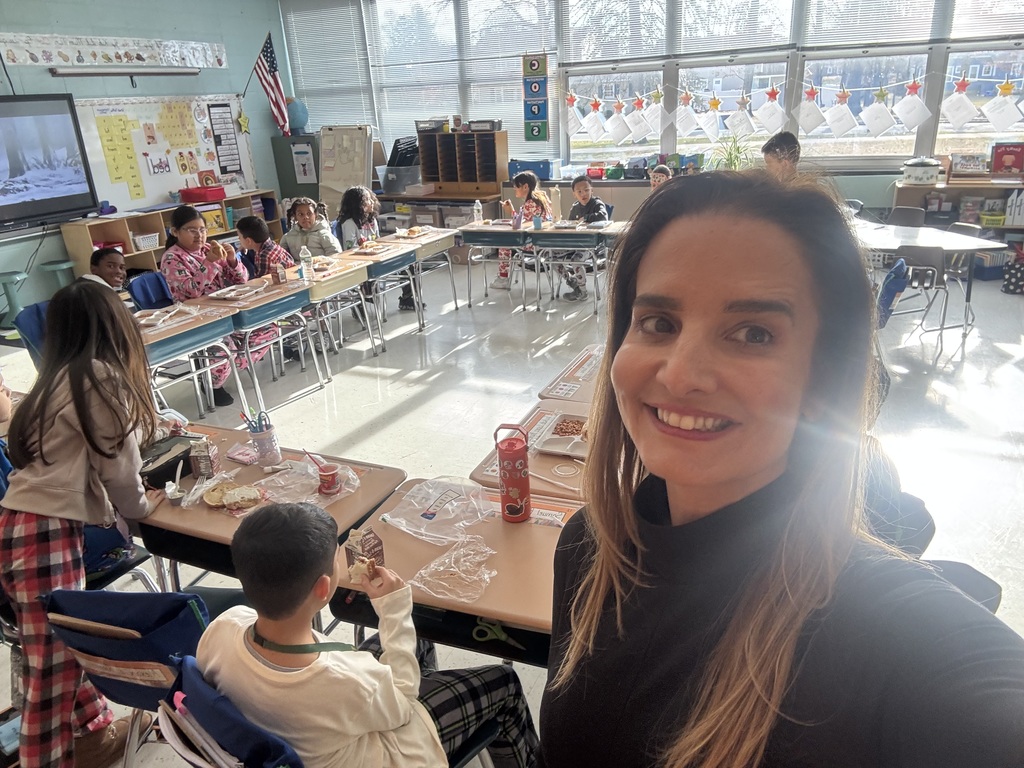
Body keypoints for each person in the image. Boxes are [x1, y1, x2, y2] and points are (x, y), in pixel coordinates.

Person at [539, 171, 1024, 768]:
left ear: (824, 377)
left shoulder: (886, 628)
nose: (681, 374)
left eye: (753, 333)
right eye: (659, 323)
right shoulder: (589, 549)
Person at [198, 502, 539, 768]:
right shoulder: (348, 682)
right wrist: (393, 609)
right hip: (385, 749)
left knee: (414, 639)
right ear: (323, 588)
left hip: (307, 734)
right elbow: (402, 706)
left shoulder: (222, 628)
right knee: (504, 682)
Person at [0, 281, 164, 768]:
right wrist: (143, 509)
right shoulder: (101, 378)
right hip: (45, 534)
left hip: (19, 525)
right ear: (115, 326)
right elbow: (120, 468)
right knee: (47, 680)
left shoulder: (52, 380)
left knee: (65, 641)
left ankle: (93, 735)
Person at [160, 205, 276, 406]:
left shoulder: (208, 249)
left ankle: (223, 366)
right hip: (197, 316)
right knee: (224, 348)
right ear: (175, 231)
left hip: (226, 310)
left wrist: (232, 260)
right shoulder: (172, 258)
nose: (199, 235)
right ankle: (213, 384)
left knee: (270, 328)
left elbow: (241, 280)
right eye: (192, 230)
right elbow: (191, 292)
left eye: (203, 230)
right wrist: (211, 262)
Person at [337, 185, 418, 312]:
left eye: (371, 199)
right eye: (367, 200)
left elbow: (377, 240)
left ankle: (407, 298)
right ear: (357, 204)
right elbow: (350, 248)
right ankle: (360, 302)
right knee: (369, 281)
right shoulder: (349, 223)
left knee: (409, 264)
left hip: (377, 256)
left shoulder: (372, 220)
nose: (371, 202)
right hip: (361, 261)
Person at [492, 171, 552, 291]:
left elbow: (520, 225)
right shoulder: (541, 198)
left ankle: (503, 278)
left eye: (516, 187)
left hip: (533, 243)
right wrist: (512, 211)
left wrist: (511, 213)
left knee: (504, 246)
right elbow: (525, 221)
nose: (515, 190)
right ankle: (504, 277)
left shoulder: (530, 203)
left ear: (525, 187)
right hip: (544, 241)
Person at [554, 175, 609, 302]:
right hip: (575, 243)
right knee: (551, 256)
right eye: (579, 191)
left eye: (586, 190)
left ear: (592, 190)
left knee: (576, 260)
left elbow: (603, 216)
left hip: (592, 245)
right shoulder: (575, 207)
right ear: (574, 194)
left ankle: (583, 292)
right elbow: (570, 224)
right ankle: (572, 282)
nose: (583, 194)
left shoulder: (597, 203)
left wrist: (586, 218)